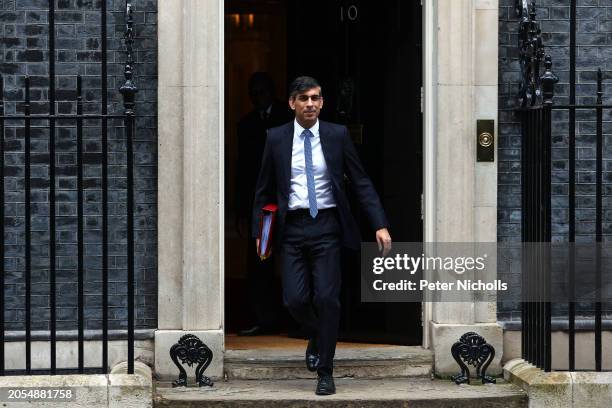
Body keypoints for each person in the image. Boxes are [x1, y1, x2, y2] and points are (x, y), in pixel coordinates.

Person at [251, 76, 392, 395]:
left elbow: (361, 181)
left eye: (315, 98)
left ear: (322, 102)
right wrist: (260, 232)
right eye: (304, 98)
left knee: (327, 299)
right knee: (295, 299)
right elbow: (262, 190)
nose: (311, 104)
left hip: (327, 227)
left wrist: (379, 224)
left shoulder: (337, 135)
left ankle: (325, 371)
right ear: (292, 103)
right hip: (292, 229)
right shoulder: (275, 138)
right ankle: (317, 333)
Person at [235, 72, 292, 336]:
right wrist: (240, 210)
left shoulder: (289, 118)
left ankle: (297, 318)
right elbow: (242, 170)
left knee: (295, 256)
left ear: (272, 91)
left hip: (291, 203)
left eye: (262, 92)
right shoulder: (245, 124)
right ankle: (264, 318)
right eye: (253, 93)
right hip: (264, 208)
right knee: (261, 260)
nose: (258, 98)